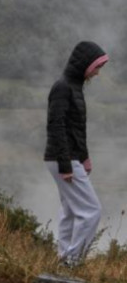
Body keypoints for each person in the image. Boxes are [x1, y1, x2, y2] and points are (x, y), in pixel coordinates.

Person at [44, 41, 109, 267]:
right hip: (63, 159)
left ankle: (63, 259)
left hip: (68, 158)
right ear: (85, 64)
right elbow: (56, 125)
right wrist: (66, 164)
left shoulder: (74, 87)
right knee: (91, 211)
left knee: (71, 211)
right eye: (97, 67)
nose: (98, 73)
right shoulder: (63, 87)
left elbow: (76, 128)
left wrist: (84, 158)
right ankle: (71, 263)